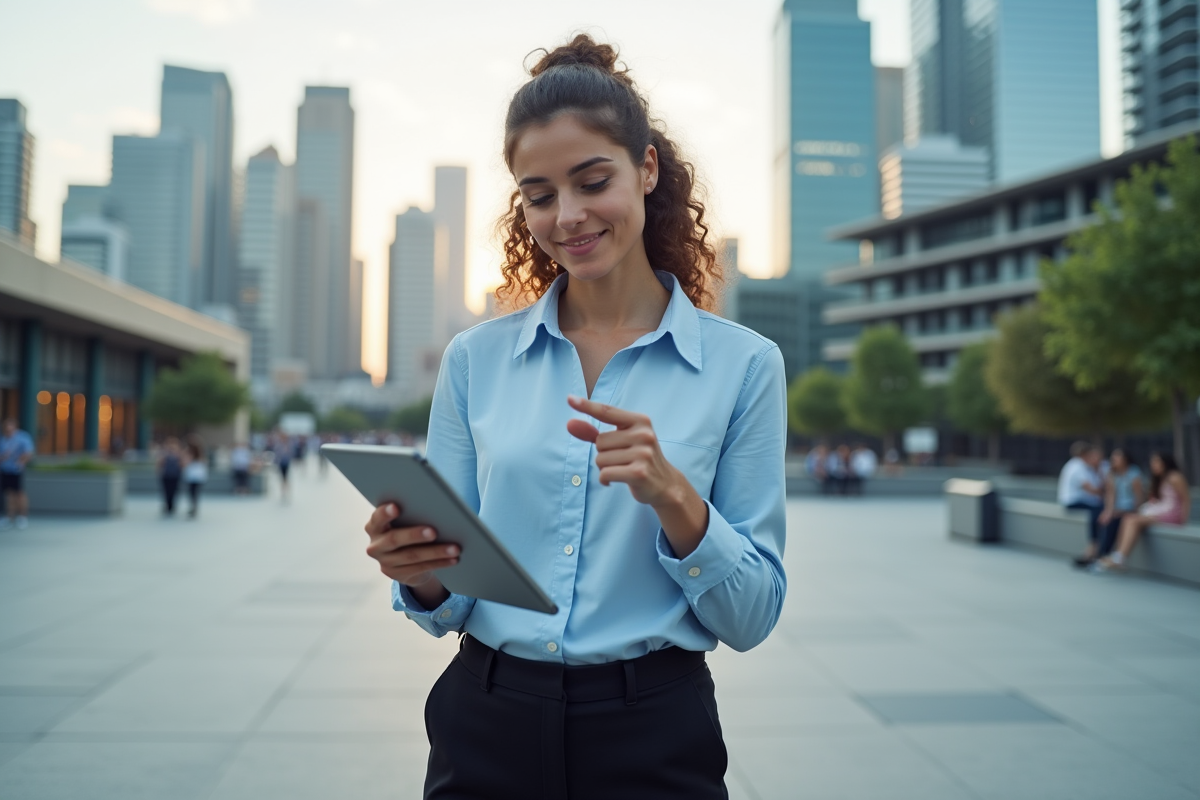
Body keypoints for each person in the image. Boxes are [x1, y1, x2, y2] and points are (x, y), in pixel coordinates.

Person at [359, 36, 786, 799]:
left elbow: (751, 618)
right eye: (540, 194)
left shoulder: (744, 365)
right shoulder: (475, 359)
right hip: (485, 723)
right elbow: (450, 602)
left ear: (646, 169)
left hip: (654, 733)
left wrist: (676, 498)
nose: (568, 216)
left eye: (593, 182)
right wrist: (419, 574)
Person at [1094, 452, 1190, 572]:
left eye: (1156, 462)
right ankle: (1117, 555)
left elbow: (1186, 500)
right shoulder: (1161, 478)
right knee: (1128, 518)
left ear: (1165, 462)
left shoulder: (1175, 477)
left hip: (1172, 515)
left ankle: (1119, 557)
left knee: (1132, 520)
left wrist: (1183, 520)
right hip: (1163, 512)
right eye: (1152, 462)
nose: (1153, 465)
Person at [1059, 442, 1105, 567]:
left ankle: (1094, 549)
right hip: (1073, 501)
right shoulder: (1078, 466)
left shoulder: (1085, 466)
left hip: (1081, 500)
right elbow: (1091, 489)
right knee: (1098, 511)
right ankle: (1093, 547)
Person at [1096, 448, 1144, 559]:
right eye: (1113, 457)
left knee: (1113, 521)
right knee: (1104, 519)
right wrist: (1108, 512)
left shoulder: (1133, 472)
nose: (1114, 459)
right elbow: (1111, 495)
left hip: (1130, 508)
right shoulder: (1112, 473)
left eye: (1117, 456)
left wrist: (1135, 511)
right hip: (1117, 509)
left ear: (1125, 459)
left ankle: (1106, 555)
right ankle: (1102, 554)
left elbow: (1139, 496)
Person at [0, 418, 34, 530]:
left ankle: (22, 517)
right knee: (9, 494)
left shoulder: (22, 437)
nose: (8, 429)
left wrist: (21, 461)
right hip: (5, 469)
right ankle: (9, 517)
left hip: (17, 470)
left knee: (19, 493)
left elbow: (29, 453)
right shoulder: (3, 439)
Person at [157, 437, 184, 516]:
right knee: (166, 492)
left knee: (174, 491)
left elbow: (182, 465)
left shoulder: (179, 455)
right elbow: (160, 464)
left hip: (175, 476)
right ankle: (167, 505)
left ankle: (172, 505)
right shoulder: (164, 454)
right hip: (166, 475)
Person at [182, 437, 208, 518]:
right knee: (195, 493)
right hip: (198, 476)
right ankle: (194, 507)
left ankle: (193, 507)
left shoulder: (190, 453)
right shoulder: (200, 454)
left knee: (192, 493)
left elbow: (185, 463)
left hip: (192, 476)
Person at [274, 433, 292, 502]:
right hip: (281, 464)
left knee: (286, 478)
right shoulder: (279, 446)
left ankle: (287, 492)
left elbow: (291, 454)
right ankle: (283, 493)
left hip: (286, 463)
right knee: (282, 479)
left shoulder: (288, 445)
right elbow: (277, 455)